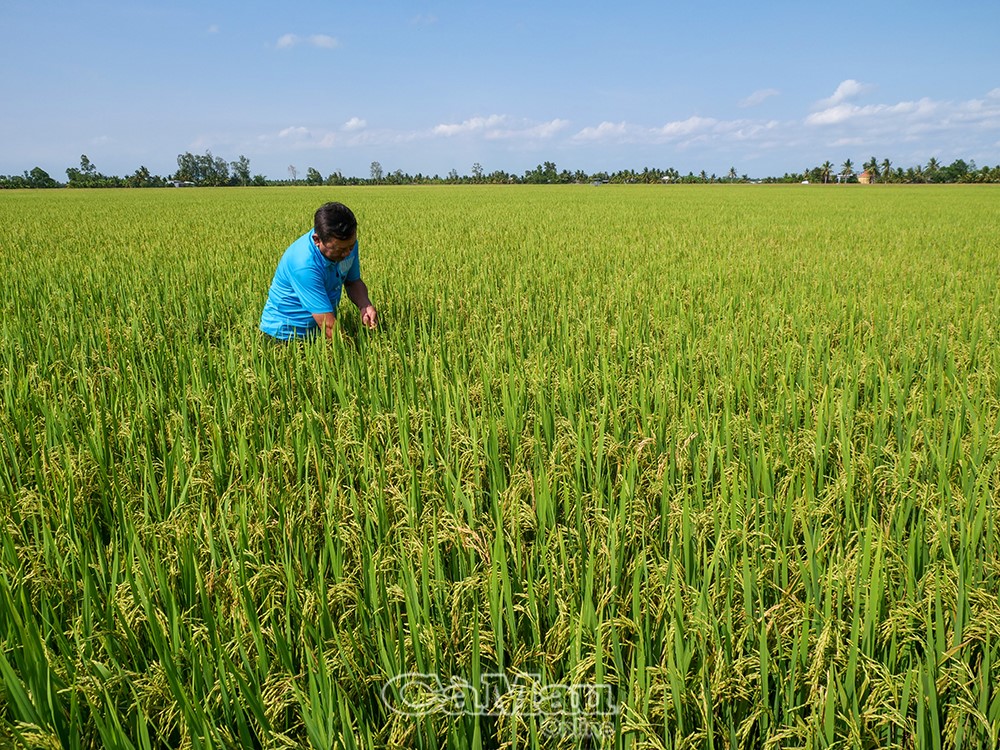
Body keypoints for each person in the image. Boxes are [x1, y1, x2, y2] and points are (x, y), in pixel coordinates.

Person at [259, 202, 378, 341]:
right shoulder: (303, 264)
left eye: (351, 246)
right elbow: (328, 326)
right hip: (285, 335)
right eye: (339, 249)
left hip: (318, 332)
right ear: (317, 240)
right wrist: (355, 356)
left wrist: (365, 305)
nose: (347, 253)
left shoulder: (346, 245)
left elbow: (352, 282)